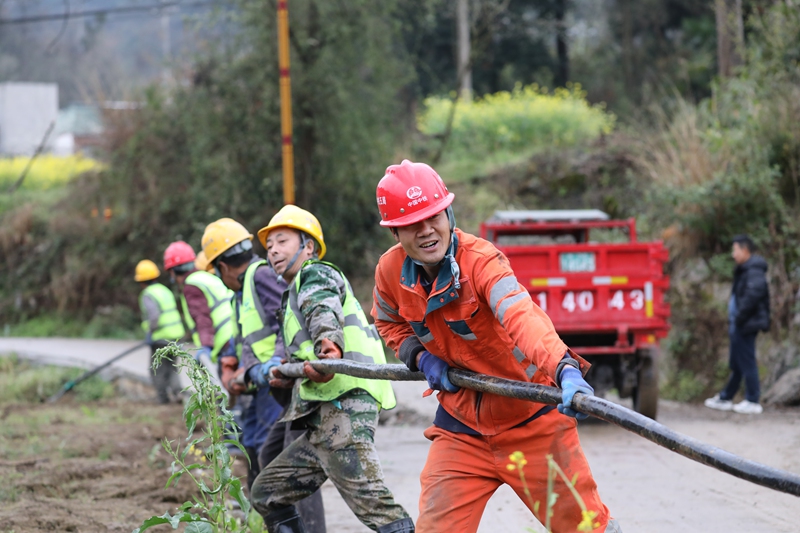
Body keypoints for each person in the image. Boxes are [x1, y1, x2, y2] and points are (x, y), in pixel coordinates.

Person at [371, 160, 620, 533]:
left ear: (448, 214)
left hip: (531, 418)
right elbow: (388, 322)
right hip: (461, 426)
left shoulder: (482, 262)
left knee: (585, 529)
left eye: (433, 216)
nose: (426, 230)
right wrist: (420, 357)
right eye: (412, 224)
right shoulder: (389, 272)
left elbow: (521, 316)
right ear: (395, 232)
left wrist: (563, 367)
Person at [250, 205, 413, 533]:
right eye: (269, 246)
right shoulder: (293, 291)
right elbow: (306, 343)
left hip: (344, 406)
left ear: (308, 246)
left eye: (282, 241)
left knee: (374, 505)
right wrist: (290, 371)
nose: (273, 251)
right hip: (324, 415)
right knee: (267, 494)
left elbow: (322, 308)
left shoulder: (314, 273)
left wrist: (329, 348)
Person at [201, 218, 285, 489]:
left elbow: (287, 324)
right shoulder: (242, 291)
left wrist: (271, 363)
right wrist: (231, 360)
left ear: (223, 266)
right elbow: (246, 337)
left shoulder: (261, 276)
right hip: (258, 383)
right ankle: (258, 508)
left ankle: (273, 508)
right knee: (250, 442)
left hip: (273, 381)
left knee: (266, 447)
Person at [705, 234, 770, 415]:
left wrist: (739, 318)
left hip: (746, 324)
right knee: (737, 363)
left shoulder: (754, 270)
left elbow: (753, 296)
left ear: (745, 250)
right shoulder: (745, 269)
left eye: (735, 250)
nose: (733, 254)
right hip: (740, 323)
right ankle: (726, 397)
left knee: (746, 361)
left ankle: (753, 400)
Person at [163, 240, 235, 386]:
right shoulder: (204, 277)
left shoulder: (191, 286)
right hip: (236, 333)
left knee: (228, 391)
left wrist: (205, 347)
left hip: (225, 342)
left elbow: (202, 318)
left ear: (172, 271)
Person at [134, 259, 186, 404]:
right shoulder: (164, 290)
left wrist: (150, 332)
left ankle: (163, 398)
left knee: (157, 368)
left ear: (141, 281)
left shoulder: (148, 294)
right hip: (176, 335)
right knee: (172, 367)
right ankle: (178, 393)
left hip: (161, 337)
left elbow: (154, 316)